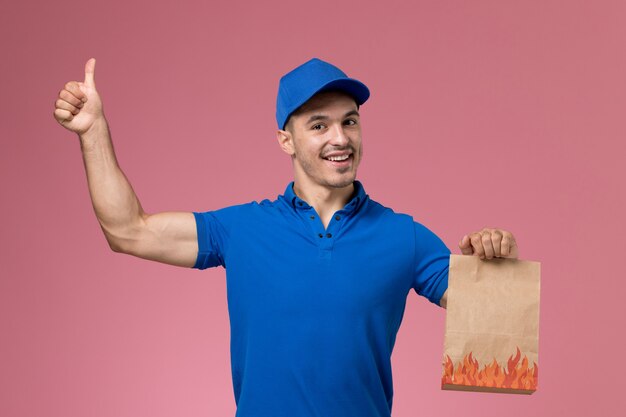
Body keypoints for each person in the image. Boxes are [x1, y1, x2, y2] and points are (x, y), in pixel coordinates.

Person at [53, 57, 519, 417]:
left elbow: (500, 330)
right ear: (286, 140)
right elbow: (128, 231)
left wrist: (497, 265)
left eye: (350, 121)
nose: (340, 137)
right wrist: (93, 132)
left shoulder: (405, 237)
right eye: (319, 125)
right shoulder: (240, 229)